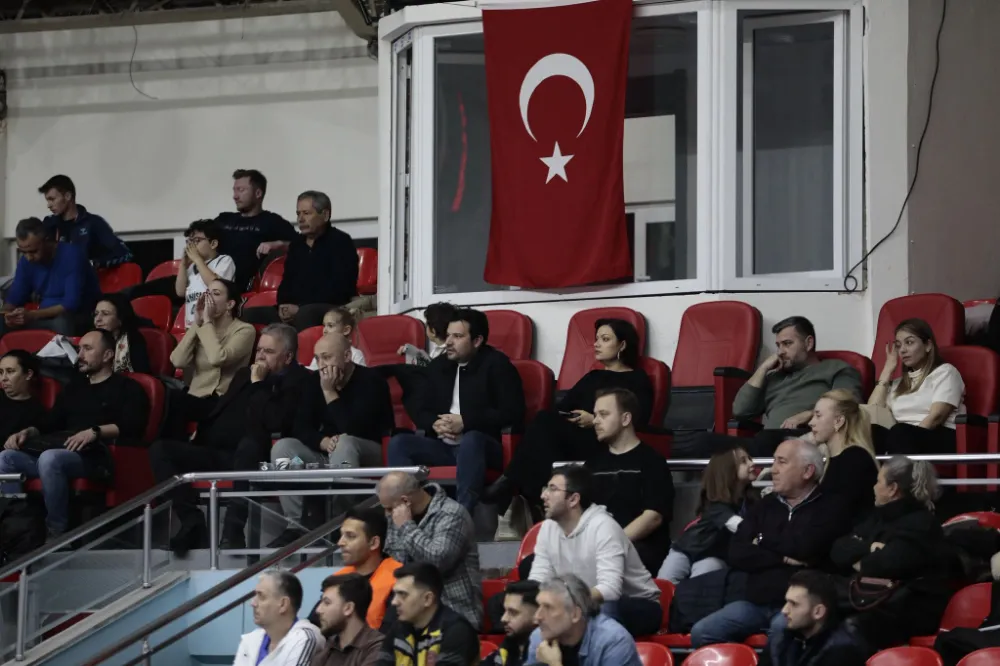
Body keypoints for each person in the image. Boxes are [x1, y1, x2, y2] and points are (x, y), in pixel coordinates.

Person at [151, 323, 310, 554]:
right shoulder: (245, 373)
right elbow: (222, 407)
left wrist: (259, 384)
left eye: (269, 351)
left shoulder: (298, 380)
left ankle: (233, 532)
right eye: (259, 350)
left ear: (288, 357)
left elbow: (275, 421)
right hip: (216, 451)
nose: (261, 356)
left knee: (248, 446)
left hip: (254, 457)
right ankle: (192, 522)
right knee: (161, 449)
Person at [689, 439, 852, 649]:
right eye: (774, 461)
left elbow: (807, 548)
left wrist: (761, 540)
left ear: (807, 471)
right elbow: (737, 553)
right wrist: (782, 557)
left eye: (781, 462)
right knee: (702, 632)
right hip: (756, 603)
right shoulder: (764, 505)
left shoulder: (830, 506)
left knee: (781, 631)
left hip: (803, 605)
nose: (773, 470)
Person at [484, 319, 652, 516]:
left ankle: (518, 488)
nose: (596, 344)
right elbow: (561, 409)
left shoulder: (637, 379)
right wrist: (571, 417)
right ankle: (534, 496)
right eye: (596, 339)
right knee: (544, 424)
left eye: (605, 339)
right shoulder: (592, 377)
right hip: (577, 438)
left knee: (543, 428)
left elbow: (637, 418)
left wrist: (594, 420)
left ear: (622, 345)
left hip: (607, 440)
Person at [0, 330, 149, 539]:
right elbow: (50, 423)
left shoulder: (128, 387)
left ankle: (56, 532)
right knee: (7, 457)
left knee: (50, 458)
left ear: (107, 355)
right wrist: (27, 432)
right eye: (79, 349)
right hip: (62, 450)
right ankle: (13, 526)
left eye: (87, 349)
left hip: (98, 455)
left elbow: (133, 425)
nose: (80, 355)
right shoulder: (74, 388)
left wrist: (95, 432)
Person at [386, 308, 525, 513]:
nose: (448, 342)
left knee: (471, 439)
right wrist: (433, 422)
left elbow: (512, 412)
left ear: (477, 340)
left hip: (484, 446)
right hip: (444, 446)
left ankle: (461, 516)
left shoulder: (497, 365)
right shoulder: (439, 366)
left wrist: (466, 422)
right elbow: (421, 407)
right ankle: (406, 513)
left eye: (458, 336)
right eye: (448, 335)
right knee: (400, 444)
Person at [680, 317, 863, 458]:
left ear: (808, 343)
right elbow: (740, 410)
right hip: (766, 441)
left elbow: (849, 403)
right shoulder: (775, 376)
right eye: (778, 346)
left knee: (763, 439)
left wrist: (809, 414)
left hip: (807, 437)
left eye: (787, 344)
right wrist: (763, 368)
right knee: (700, 441)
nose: (780, 351)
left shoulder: (836, 368)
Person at [271, 334, 393, 545]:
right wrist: (322, 442)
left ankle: (340, 522)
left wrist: (329, 392)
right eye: (317, 359)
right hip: (329, 452)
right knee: (283, 448)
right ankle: (295, 525)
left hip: (368, 452)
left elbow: (354, 428)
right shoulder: (313, 381)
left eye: (327, 357)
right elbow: (300, 427)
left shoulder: (372, 381)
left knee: (345, 442)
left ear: (347, 356)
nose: (321, 365)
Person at [830, 455, 952, 652]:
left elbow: (881, 565)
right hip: (873, 598)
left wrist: (860, 558)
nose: (873, 487)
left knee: (848, 627)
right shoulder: (878, 517)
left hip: (908, 608)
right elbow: (838, 549)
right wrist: (869, 548)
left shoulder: (922, 524)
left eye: (878, 481)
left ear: (892, 488)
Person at [529, 465, 662, 637]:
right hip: (581, 602)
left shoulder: (604, 526)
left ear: (573, 499)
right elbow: (537, 579)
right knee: (519, 605)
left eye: (552, 489)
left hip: (639, 606)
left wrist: (564, 600)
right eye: (546, 488)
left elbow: (610, 590)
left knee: (602, 610)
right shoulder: (548, 528)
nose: (543, 495)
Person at [376, 471, 482, 628]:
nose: (387, 514)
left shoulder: (452, 514)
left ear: (405, 501)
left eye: (389, 509)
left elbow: (436, 563)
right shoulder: (397, 515)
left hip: (453, 613)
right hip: (410, 610)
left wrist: (406, 527)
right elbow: (396, 562)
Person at [242, 190, 359, 331]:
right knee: (247, 314)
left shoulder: (341, 242)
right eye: (298, 214)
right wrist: (283, 305)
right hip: (296, 307)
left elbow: (340, 288)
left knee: (305, 314)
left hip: (330, 307)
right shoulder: (297, 244)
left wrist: (299, 307)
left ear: (325, 215)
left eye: (306, 213)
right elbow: (287, 282)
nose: (300, 219)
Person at [586, 388, 674, 575]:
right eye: (595, 415)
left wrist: (612, 544)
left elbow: (653, 516)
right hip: (596, 546)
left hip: (638, 548)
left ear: (626, 419)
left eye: (603, 414)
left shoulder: (652, 461)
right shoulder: (592, 464)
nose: (595, 421)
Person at [658, 445, 757, 584]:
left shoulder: (752, 500)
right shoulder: (715, 503)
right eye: (743, 461)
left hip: (714, 556)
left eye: (750, 458)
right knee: (664, 583)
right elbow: (737, 525)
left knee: (701, 583)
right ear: (727, 470)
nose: (752, 463)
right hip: (686, 549)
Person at [868, 318, 966, 455]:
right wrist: (887, 370)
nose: (902, 350)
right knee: (869, 431)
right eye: (898, 345)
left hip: (938, 436)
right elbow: (872, 411)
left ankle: (895, 466)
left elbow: (936, 417)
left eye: (909, 342)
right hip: (902, 438)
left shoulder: (945, 372)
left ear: (928, 345)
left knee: (900, 432)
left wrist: (907, 440)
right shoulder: (897, 384)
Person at [168, 279, 256, 427]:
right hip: (195, 396)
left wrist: (206, 322)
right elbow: (177, 361)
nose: (208, 298)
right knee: (165, 397)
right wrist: (197, 323)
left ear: (230, 304)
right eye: (207, 293)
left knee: (172, 400)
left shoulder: (245, 330)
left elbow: (217, 358)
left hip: (221, 401)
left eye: (216, 294)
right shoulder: (203, 327)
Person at [2, 217, 101, 337]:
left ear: (47, 240)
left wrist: (32, 315)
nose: (28, 257)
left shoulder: (72, 255)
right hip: (42, 316)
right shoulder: (26, 262)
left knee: (63, 323)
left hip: (77, 315)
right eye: (23, 252)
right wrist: (8, 314)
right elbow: (14, 298)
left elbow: (70, 304)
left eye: (33, 251)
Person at [306, 507, 402, 630]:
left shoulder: (399, 580)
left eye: (350, 536)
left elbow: (393, 633)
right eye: (341, 535)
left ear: (374, 543)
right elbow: (313, 625)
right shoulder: (338, 579)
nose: (340, 542)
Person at [376, 562, 480, 666]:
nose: (394, 602)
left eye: (403, 594)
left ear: (427, 599)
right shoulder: (398, 629)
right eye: (395, 594)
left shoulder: (456, 631)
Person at [526, 574, 642, 666]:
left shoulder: (614, 641)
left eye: (548, 607)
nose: (537, 617)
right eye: (539, 606)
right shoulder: (538, 638)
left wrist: (554, 664)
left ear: (575, 614)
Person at [214, 169, 298, 292]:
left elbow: (301, 245)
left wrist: (279, 244)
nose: (235, 196)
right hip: (215, 287)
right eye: (234, 190)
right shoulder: (223, 219)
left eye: (241, 190)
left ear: (258, 193)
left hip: (250, 292)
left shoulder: (273, 222)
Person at [808, 389, 879, 520]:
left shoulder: (855, 460)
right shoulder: (835, 460)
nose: (811, 422)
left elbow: (840, 514)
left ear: (839, 421)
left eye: (818, 416)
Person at [769, 570, 867, 666]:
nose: (784, 610)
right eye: (786, 602)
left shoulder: (840, 653)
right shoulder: (786, 637)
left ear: (818, 612)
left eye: (794, 604)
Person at [38, 174, 133, 268]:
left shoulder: (93, 223)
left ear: (67, 196)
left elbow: (125, 254)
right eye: (47, 200)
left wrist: (94, 263)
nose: (48, 205)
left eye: (52, 199)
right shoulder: (49, 224)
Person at [233, 570, 324, 666]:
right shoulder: (251, 639)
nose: (253, 603)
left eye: (261, 596)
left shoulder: (305, 638)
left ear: (283, 604)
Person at [310, 573, 384, 666]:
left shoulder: (378, 647)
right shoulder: (329, 647)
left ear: (348, 608)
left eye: (327, 603)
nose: (318, 610)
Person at [175, 219, 236, 326]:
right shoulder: (192, 267)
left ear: (213, 244)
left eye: (197, 240)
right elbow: (180, 292)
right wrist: (183, 265)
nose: (191, 245)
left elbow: (215, 285)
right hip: (191, 325)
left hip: (214, 325)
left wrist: (197, 259)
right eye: (190, 241)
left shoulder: (224, 261)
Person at [482, 580, 540, 666]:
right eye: (505, 611)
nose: (503, 619)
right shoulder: (506, 647)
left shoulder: (551, 656)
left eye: (513, 613)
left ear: (538, 614)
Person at [93, 293, 152, 374]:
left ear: (120, 319)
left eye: (105, 314)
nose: (98, 319)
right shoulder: (90, 339)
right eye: (96, 314)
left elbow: (142, 376)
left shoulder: (134, 340)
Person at [0, 351, 49, 445]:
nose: (3, 378)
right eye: (1, 372)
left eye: (10, 371)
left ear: (28, 374)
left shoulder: (36, 412)